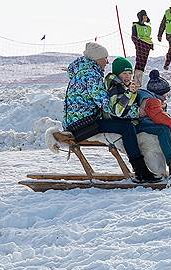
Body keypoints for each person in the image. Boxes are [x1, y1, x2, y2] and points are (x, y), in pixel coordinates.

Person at [62, 42, 161, 182]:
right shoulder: (91, 75)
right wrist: (135, 112)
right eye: (105, 58)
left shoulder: (81, 71)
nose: (107, 62)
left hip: (75, 121)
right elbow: (107, 105)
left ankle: (141, 170)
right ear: (97, 59)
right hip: (83, 124)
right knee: (127, 128)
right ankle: (141, 172)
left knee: (122, 125)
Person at [107, 58, 171, 178]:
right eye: (124, 73)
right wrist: (133, 100)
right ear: (117, 73)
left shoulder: (124, 86)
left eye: (129, 73)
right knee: (163, 129)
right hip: (127, 126)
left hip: (133, 122)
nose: (127, 76)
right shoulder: (115, 88)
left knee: (164, 128)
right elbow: (118, 111)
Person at [131, 10, 153, 86]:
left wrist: (151, 44)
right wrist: (138, 44)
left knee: (143, 63)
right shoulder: (135, 26)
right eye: (144, 16)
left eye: (146, 16)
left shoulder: (148, 27)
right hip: (140, 45)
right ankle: (136, 81)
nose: (145, 17)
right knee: (139, 63)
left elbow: (148, 37)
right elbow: (133, 37)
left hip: (147, 46)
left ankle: (139, 82)